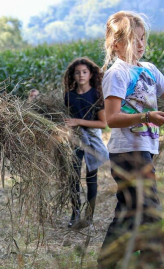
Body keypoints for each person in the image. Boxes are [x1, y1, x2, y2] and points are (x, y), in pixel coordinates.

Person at [98, 11, 164, 269]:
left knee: (129, 212)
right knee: (149, 209)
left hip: (145, 149)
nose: (141, 45)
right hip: (127, 151)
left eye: (143, 39)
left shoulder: (149, 70)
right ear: (116, 44)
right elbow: (112, 118)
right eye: (134, 39)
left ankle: (107, 268)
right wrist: (147, 117)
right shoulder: (117, 74)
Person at [63, 57, 108, 228]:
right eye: (77, 72)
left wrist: (78, 122)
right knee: (73, 177)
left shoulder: (96, 95)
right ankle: (75, 214)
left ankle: (89, 217)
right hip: (74, 139)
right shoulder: (68, 96)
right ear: (73, 75)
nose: (81, 75)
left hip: (92, 139)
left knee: (91, 178)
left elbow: (103, 123)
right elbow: (66, 119)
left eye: (84, 72)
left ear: (90, 75)